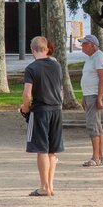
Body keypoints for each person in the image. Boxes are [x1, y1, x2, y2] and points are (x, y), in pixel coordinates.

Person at [20, 36, 64, 196]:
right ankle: (50, 185)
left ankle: (44, 187)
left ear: (32, 50)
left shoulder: (31, 68)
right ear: (46, 49)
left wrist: (25, 108)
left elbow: (27, 93)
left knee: (42, 150)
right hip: (57, 109)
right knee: (53, 151)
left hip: (40, 111)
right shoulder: (56, 65)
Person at [79, 34, 103, 166]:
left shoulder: (99, 57)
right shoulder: (91, 58)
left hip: (94, 95)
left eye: (85, 44)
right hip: (89, 95)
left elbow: (102, 78)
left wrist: (99, 97)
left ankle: (96, 157)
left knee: (93, 125)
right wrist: (84, 96)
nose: (82, 46)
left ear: (92, 45)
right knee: (96, 125)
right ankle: (100, 156)